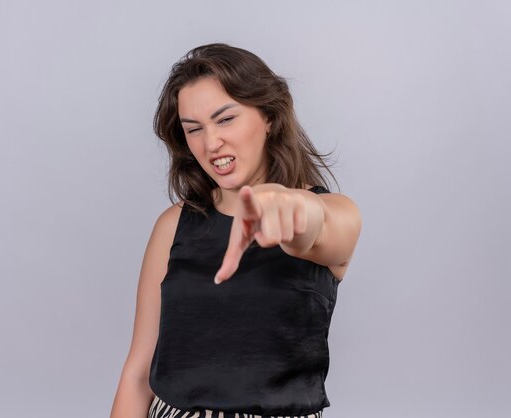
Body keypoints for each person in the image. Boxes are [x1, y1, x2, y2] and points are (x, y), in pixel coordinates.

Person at [109, 43, 362, 418]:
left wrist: (288, 206)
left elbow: (318, 227)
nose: (211, 144)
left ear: (270, 117)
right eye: (193, 129)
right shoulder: (173, 224)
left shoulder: (334, 211)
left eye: (225, 119)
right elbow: (138, 374)